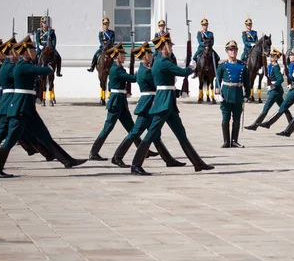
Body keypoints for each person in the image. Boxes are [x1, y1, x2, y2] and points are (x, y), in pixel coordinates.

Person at [0, 36, 86, 177]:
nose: (34, 52)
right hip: (20, 109)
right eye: (32, 50)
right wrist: (48, 66)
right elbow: (45, 71)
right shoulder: (23, 66)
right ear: (25, 53)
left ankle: (67, 160)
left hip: (28, 109)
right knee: (10, 139)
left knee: (44, 136)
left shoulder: (24, 65)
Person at [130, 34, 214, 175]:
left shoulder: (159, 61)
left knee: (181, 134)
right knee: (151, 134)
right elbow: (183, 72)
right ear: (164, 47)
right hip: (164, 101)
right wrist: (193, 65)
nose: (171, 49)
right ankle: (136, 165)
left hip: (168, 101)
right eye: (170, 46)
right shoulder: (163, 62)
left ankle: (198, 163)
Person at [110, 40, 185, 168]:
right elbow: (158, 84)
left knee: (155, 135)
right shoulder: (145, 71)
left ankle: (169, 160)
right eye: (150, 54)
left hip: (152, 103)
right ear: (144, 56)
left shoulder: (146, 69)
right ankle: (117, 157)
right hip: (147, 105)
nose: (152, 56)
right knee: (135, 132)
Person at [89, 43, 147, 160]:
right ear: (116, 56)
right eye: (122, 55)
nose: (124, 57)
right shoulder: (116, 69)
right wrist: (142, 68)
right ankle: (93, 152)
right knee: (108, 127)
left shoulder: (118, 68)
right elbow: (133, 79)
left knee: (131, 127)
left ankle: (142, 148)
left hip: (121, 101)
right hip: (116, 102)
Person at [257, 47, 294, 135]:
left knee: (283, 106)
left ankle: (269, 123)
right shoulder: (291, 65)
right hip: (293, 90)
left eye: (291, 55)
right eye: (289, 55)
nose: (290, 56)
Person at [216, 40, 250, 147]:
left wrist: (247, 95)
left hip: (238, 94)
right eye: (231, 50)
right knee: (225, 117)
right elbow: (217, 79)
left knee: (237, 118)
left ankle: (234, 141)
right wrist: (217, 92)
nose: (233, 52)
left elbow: (247, 82)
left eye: (234, 50)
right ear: (227, 51)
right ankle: (226, 141)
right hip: (226, 93)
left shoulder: (242, 65)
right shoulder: (222, 65)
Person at [245, 48, 287, 130]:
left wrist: (272, 86)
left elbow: (280, 79)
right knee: (284, 108)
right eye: (270, 56)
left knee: (266, 108)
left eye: (272, 56)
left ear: (276, 58)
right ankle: (291, 125)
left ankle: (255, 125)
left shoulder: (276, 67)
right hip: (275, 91)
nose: (270, 57)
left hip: (275, 91)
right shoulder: (270, 66)